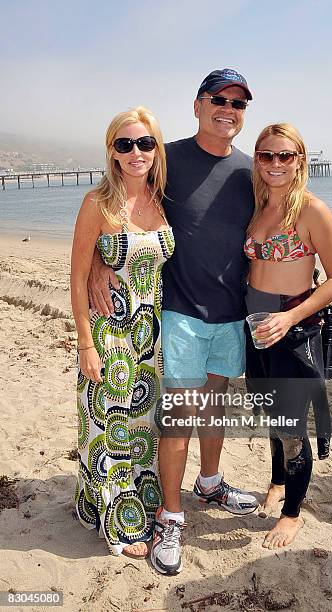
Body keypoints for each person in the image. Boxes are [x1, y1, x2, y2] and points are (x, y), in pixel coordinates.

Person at [88, 69, 259, 575]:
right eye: (218, 98)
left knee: (214, 408)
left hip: (232, 313)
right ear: (198, 105)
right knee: (182, 417)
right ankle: (171, 515)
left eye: (238, 102)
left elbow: (278, 223)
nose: (228, 108)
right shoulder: (171, 160)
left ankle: (209, 483)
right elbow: (125, 201)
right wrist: (103, 258)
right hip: (182, 311)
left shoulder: (252, 171)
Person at [70, 107, 174, 558]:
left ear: (156, 148)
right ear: (112, 152)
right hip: (109, 335)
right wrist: (86, 344)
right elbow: (76, 278)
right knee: (110, 426)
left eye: (145, 143)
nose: (137, 153)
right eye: (125, 144)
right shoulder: (97, 203)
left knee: (143, 427)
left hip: (151, 337)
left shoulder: (163, 197)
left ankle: (141, 503)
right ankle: (118, 520)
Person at [244, 123, 332, 549]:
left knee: (290, 422)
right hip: (253, 326)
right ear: (257, 159)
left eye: (284, 155)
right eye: (266, 155)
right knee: (271, 413)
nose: (275, 163)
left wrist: (290, 318)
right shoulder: (256, 205)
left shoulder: (311, 210)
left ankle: (292, 514)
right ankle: (276, 480)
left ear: (300, 159)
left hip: (292, 328)